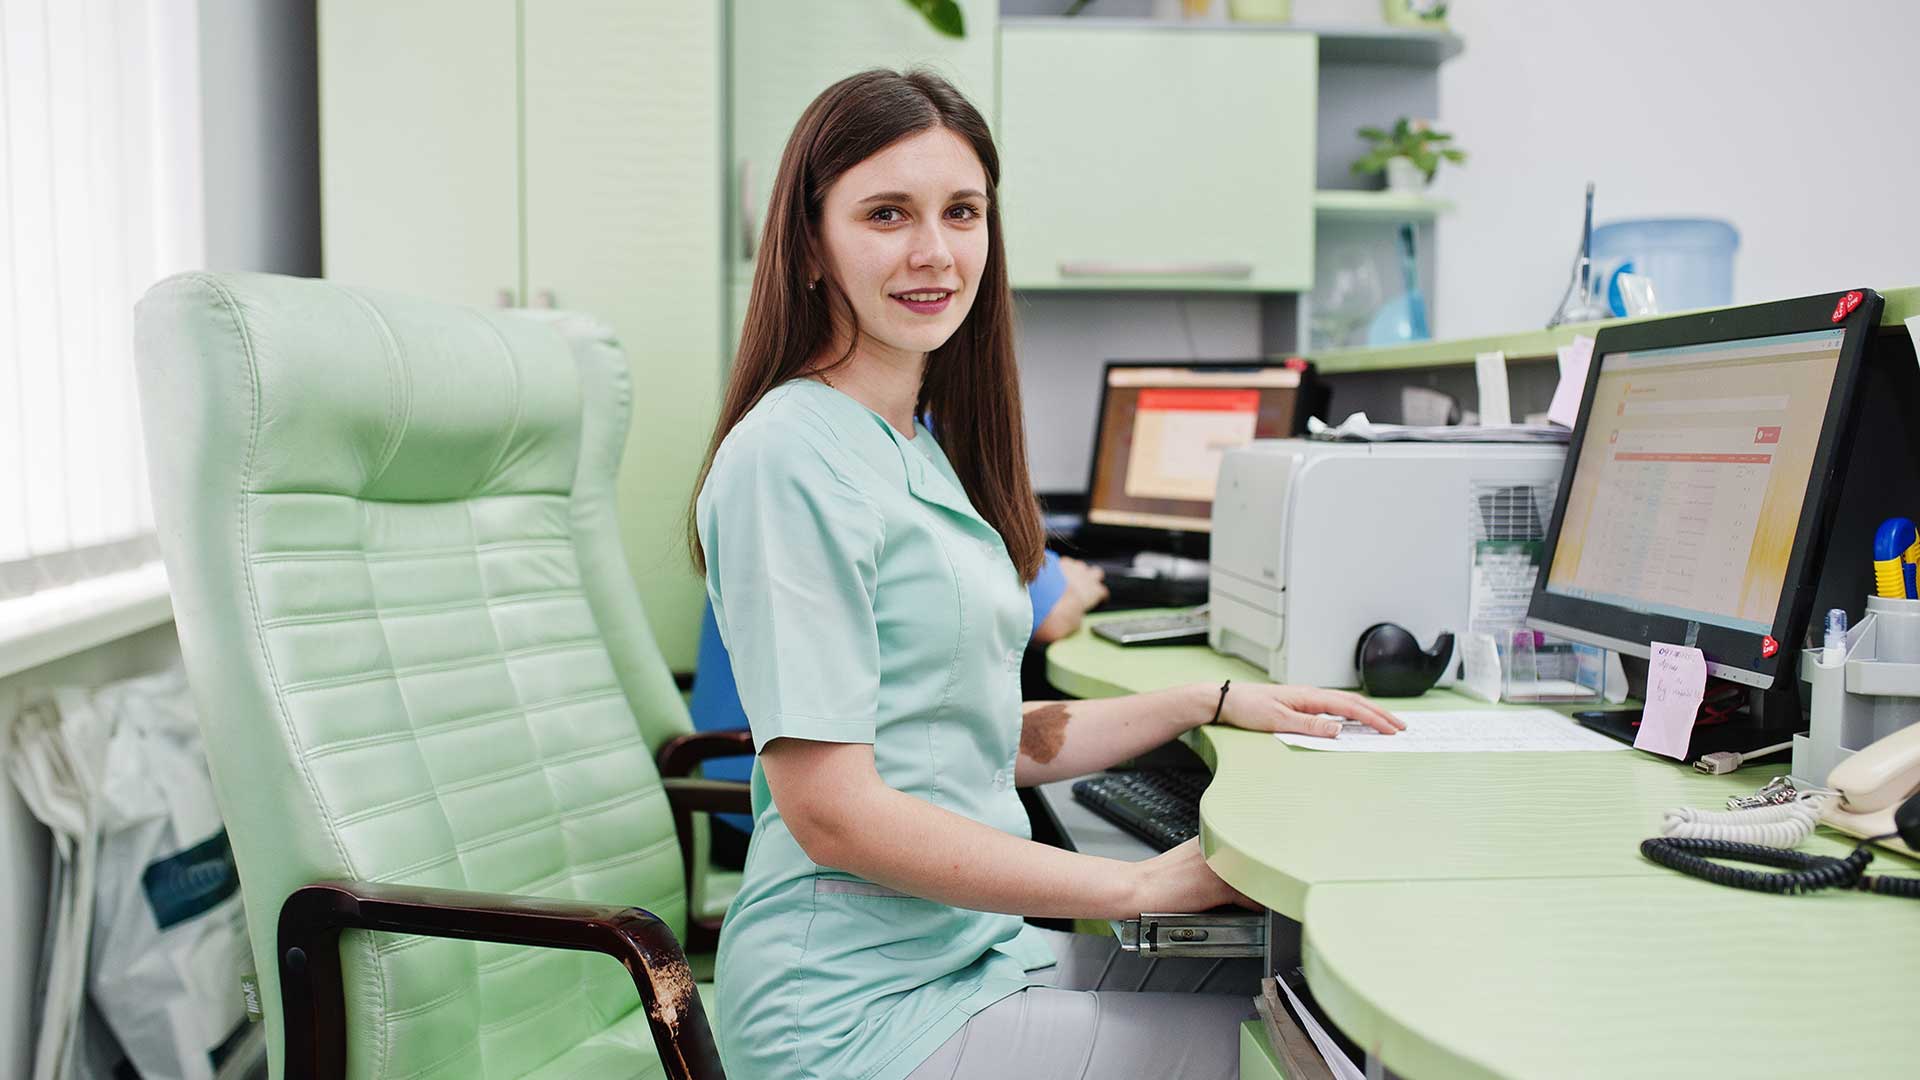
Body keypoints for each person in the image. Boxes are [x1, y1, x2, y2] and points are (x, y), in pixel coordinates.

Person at [689, 69, 1403, 1080]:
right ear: (809, 244)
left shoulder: (907, 441)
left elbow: (966, 734)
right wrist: (1138, 889)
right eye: (887, 214)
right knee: (1304, 1063)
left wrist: (1206, 699)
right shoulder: (789, 458)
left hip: (965, 956)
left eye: (961, 212)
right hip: (849, 1015)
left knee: (1313, 1003)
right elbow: (833, 811)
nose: (934, 251)